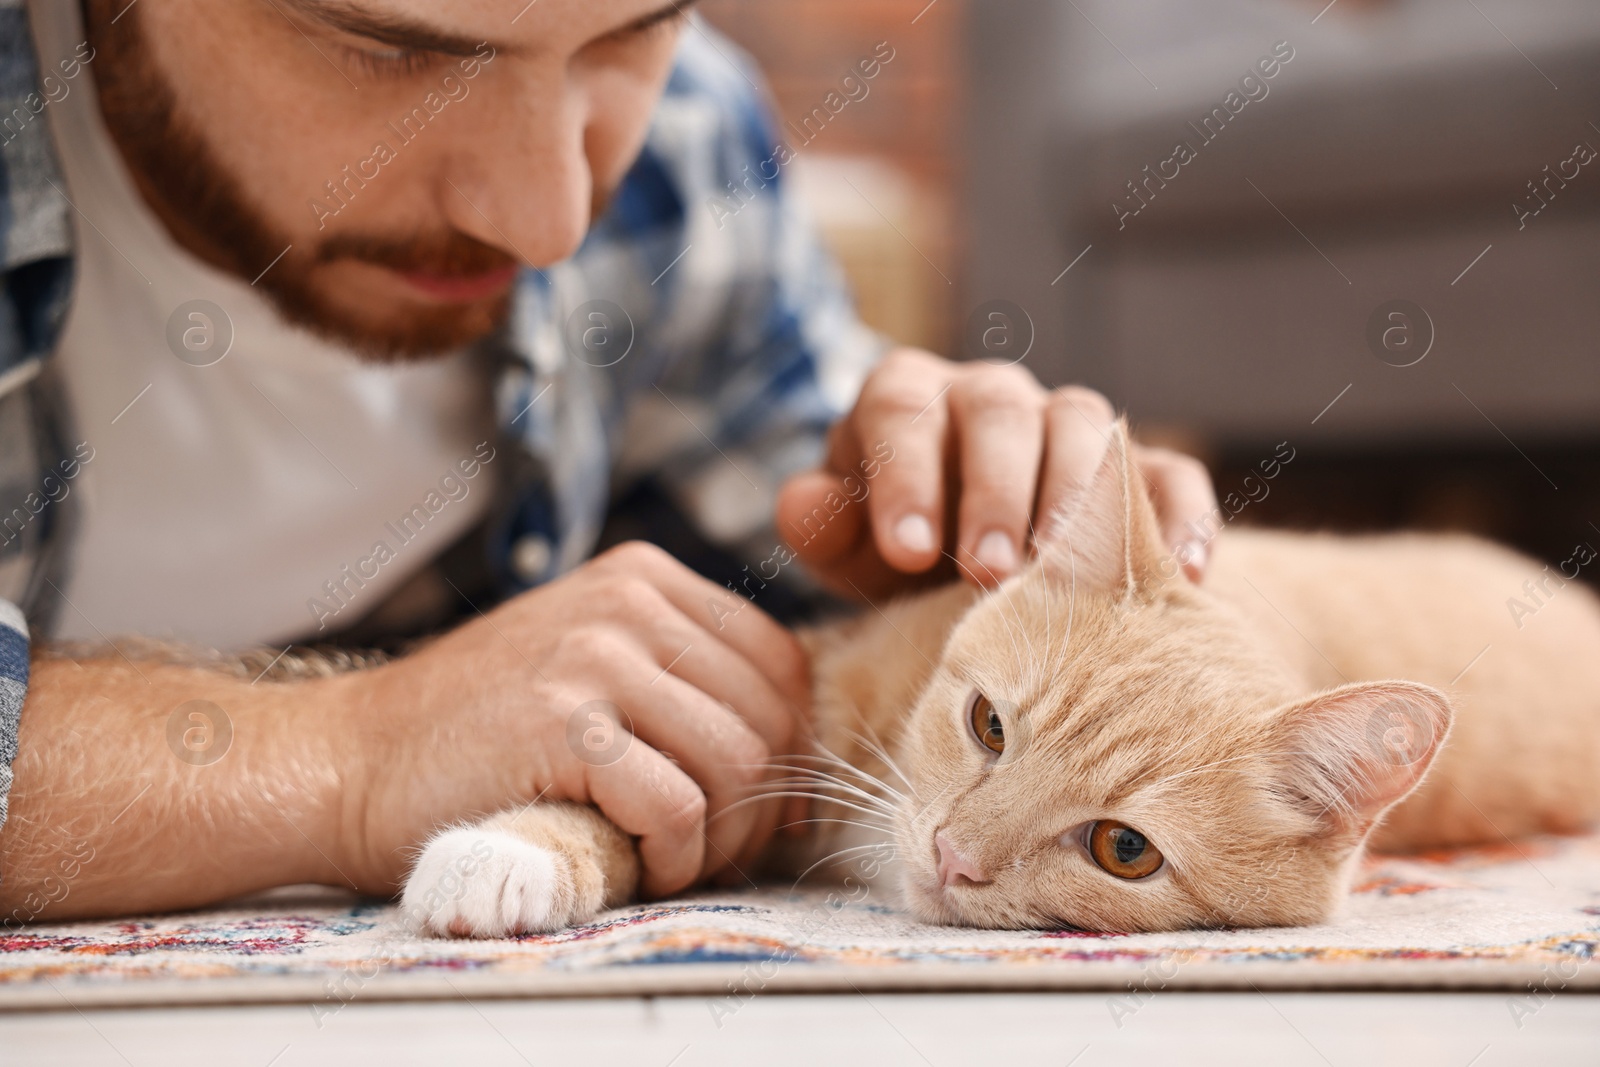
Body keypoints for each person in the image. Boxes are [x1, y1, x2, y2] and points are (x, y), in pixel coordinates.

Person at [0, 0, 1216, 923]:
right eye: (395, 49)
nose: (548, 219)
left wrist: (923, 546)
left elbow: (813, 500)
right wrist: (353, 750)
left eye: (631, 33)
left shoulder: (687, 142)